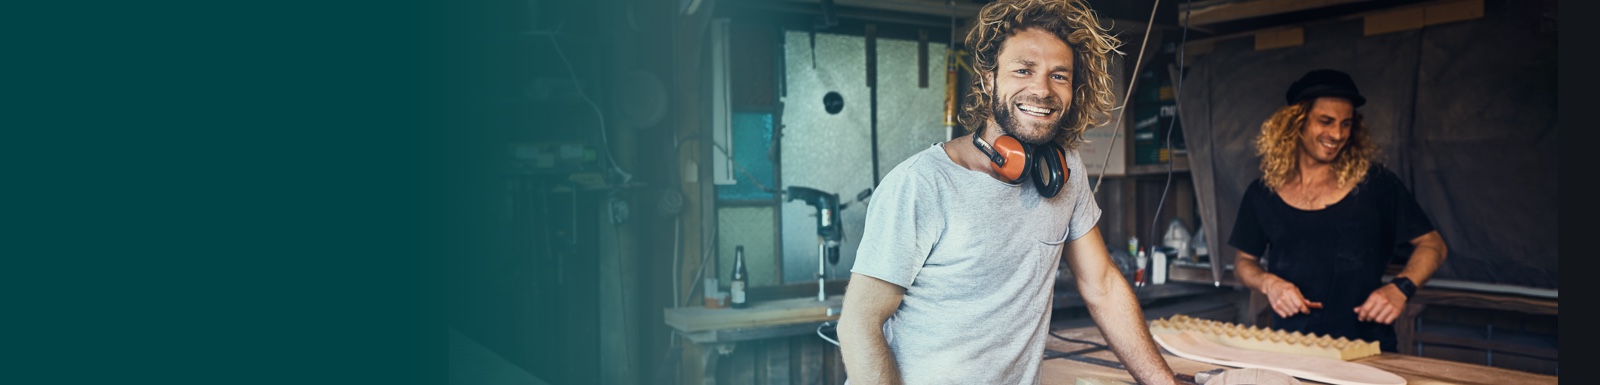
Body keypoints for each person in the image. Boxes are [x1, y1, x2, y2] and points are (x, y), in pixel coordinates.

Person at [835, 1, 1178, 384]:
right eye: (1023, 70)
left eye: (1059, 76)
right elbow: (859, 324)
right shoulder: (922, 184)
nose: (1042, 90)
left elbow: (1103, 286)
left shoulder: (1065, 173)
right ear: (988, 80)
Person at [1228, 69, 1449, 352]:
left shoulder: (1376, 185)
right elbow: (1244, 262)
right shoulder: (1263, 193)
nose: (1337, 134)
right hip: (1290, 350)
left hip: (1367, 352)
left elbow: (1433, 245)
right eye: (1325, 121)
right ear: (1296, 122)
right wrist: (1269, 283)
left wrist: (1400, 288)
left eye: (1346, 124)